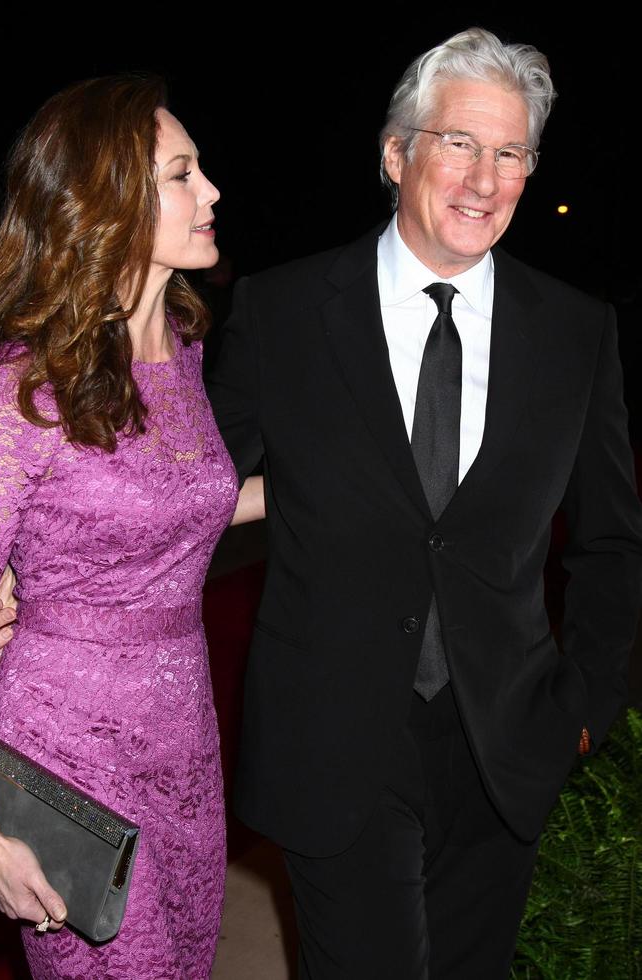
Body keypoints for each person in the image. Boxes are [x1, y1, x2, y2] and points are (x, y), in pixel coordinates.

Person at [205, 27, 642, 980]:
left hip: (508, 746)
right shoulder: (282, 315)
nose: (484, 178)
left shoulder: (577, 332)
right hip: (335, 740)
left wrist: (586, 706)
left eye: (512, 152)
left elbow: (612, 545)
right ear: (397, 152)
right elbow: (184, 503)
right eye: (460, 143)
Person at [0, 75, 263, 979]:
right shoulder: (18, 391)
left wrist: (357, 485)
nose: (211, 191)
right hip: (65, 748)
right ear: (107, 201)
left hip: (184, 735)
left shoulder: (182, 347)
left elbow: (182, 513)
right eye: (182, 173)